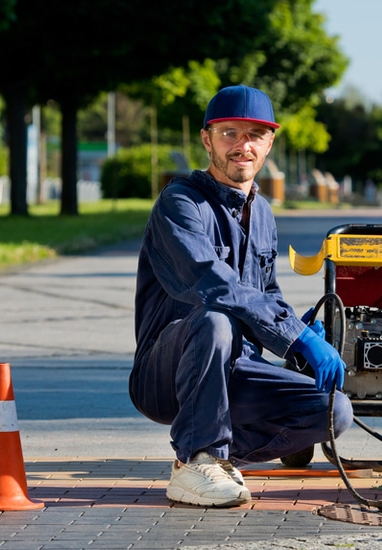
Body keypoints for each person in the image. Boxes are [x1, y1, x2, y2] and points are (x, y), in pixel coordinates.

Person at [129, 85, 353, 508]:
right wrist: (293, 336)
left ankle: (221, 457)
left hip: (238, 368)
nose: (242, 146)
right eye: (229, 133)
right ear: (206, 139)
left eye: (254, 134)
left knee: (335, 410)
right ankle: (198, 457)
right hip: (168, 371)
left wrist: (303, 331)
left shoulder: (263, 212)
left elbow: (266, 292)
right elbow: (214, 285)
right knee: (216, 318)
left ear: (271, 141)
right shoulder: (180, 204)